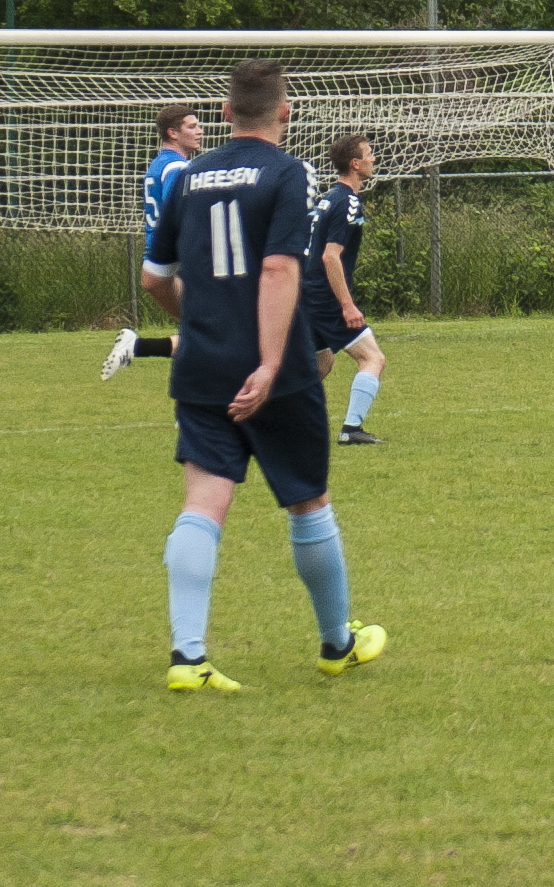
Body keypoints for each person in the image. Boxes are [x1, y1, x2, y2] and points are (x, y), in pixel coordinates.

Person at [142, 58, 384, 692]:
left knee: (203, 503)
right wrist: (273, 362)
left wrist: (202, 320)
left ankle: (188, 658)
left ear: (224, 114)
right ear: (285, 112)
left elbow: (153, 278)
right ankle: (336, 644)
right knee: (307, 502)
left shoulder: (187, 176)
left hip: (201, 364)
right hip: (275, 370)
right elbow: (279, 271)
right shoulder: (290, 173)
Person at [102, 104, 204, 379]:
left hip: (162, 257)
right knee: (221, 332)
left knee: (208, 335)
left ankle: (136, 347)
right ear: (172, 133)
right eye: (192, 126)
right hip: (180, 259)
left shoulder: (159, 163)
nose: (200, 131)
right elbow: (180, 213)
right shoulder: (177, 167)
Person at [306, 133, 388, 446]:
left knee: (320, 364)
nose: (373, 159)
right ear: (355, 164)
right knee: (372, 358)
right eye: (369, 154)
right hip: (326, 298)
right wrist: (347, 305)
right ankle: (351, 430)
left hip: (309, 293)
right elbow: (330, 255)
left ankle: (271, 418)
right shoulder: (347, 201)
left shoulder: (328, 198)